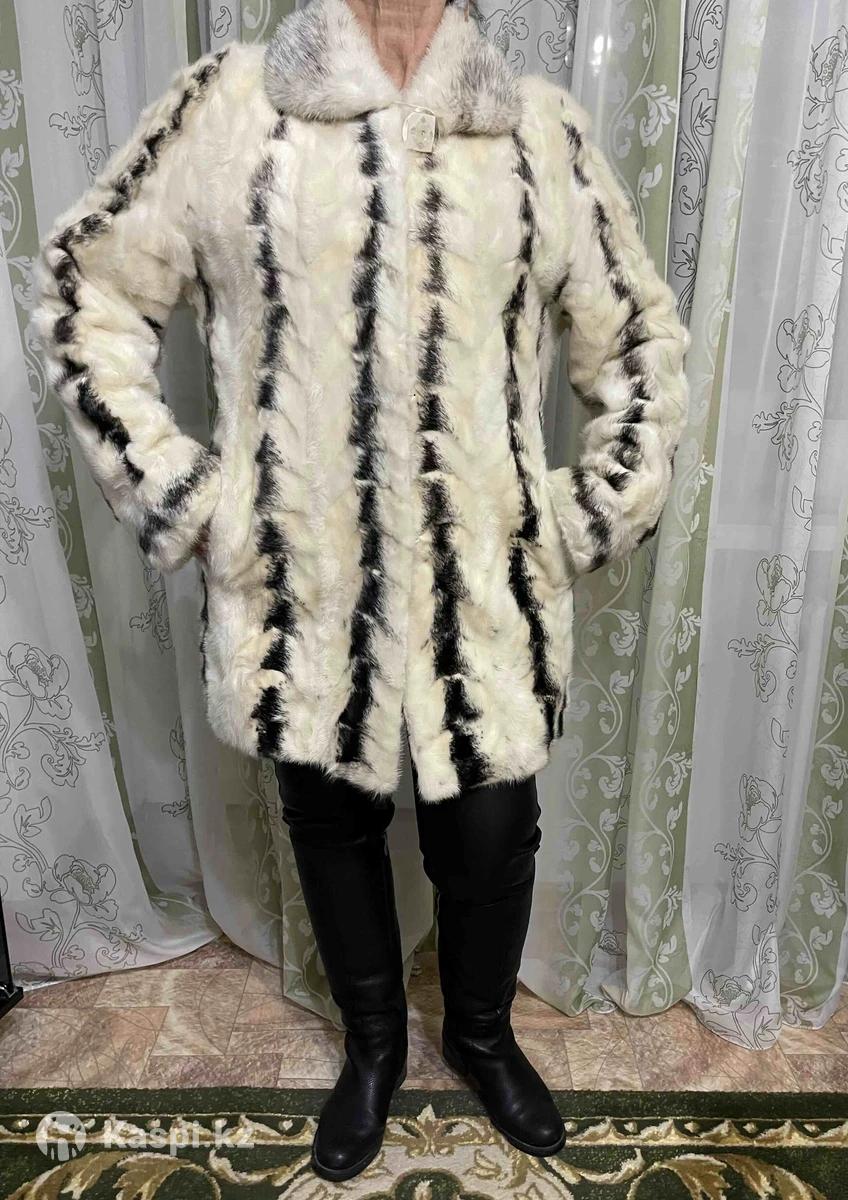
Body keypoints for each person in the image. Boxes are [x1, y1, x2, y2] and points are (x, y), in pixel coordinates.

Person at [33, 0, 691, 1182]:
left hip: (481, 587)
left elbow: (637, 336)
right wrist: (191, 497)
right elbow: (89, 286)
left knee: (490, 833)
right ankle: (374, 1048)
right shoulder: (230, 109)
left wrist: (581, 513)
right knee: (330, 821)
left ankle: (479, 1037)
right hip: (303, 589)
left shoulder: (533, 132)